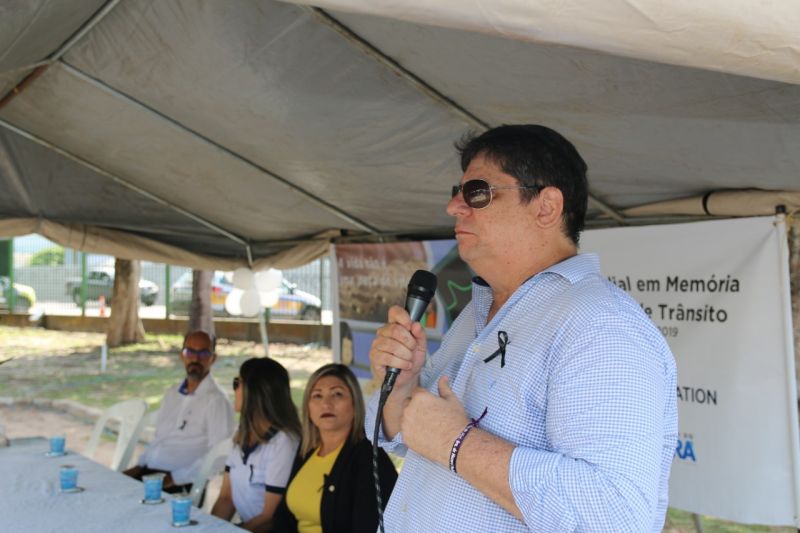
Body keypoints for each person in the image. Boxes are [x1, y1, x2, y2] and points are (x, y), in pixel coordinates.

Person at [367, 124, 678, 532]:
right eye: (456, 192)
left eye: (477, 192)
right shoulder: (480, 311)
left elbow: (615, 516)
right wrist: (402, 390)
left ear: (546, 207)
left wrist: (457, 444)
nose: (455, 207)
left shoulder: (601, 325)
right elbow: (414, 434)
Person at [273, 363, 397, 533]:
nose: (326, 404)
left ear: (355, 404)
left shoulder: (367, 457)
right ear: (308, 408)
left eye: (337, 394)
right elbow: (283, 519)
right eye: (317, 396)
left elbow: (368, 525)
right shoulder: (307, 449)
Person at [124, 329, 234, 493]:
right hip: (150, 472)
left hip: (181, 484)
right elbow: (160, 439)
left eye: (203, 353)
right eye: (190, 352)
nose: (195, 358)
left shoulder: (216, 401)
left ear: (213, 358)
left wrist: (174, 478)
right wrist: (139, 466)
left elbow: (219, 457)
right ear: (182, 355)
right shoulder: (172, 393)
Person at [211, 357, 301, 531]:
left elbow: (269, 519)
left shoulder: (284, 442)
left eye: (238, 383)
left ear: (255, 391)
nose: (234, 389)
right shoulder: (241, 433)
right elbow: (226, 498)